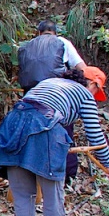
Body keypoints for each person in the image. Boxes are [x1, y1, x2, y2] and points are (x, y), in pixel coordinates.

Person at [0, 67, 109, 216]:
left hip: (13, 126)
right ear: (93, 83)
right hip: (44, 128)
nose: (94, 95)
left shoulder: (48, 83)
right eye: (96, 91)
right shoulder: (84, 94)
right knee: (53, 191)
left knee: (23, 195)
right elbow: (95, 135)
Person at [18, 19, 88, 184]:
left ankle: (35, 175)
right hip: (58, 95)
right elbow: (82, 68)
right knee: (64, 134)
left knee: (35, 134)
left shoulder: (27, 45)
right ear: (55, 32)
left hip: (31, 97)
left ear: (39, 33)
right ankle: (67, 175)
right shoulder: (62, 42)